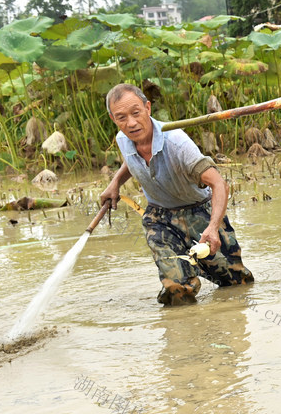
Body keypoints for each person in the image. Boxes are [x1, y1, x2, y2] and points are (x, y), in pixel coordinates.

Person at [99, 83, 253, 306]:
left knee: (237, 284)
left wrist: (212, 228)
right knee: (178, 288)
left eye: (136, 113)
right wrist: (115, 184)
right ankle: (185, 329)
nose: (131, 123)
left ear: (147, 108)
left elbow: (219, 184)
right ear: (113, 118)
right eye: (121, 117)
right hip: (160, 219)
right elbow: (131, 159)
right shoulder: (123, 139)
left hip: (200, 213)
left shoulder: (177, 143)